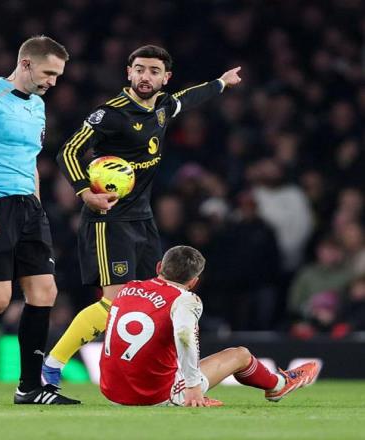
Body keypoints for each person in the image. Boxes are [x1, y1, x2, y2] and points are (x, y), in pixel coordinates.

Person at [43, 45, 242, 385]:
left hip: (143, 219)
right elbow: (69, 151)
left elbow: (187, 99)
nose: (145, 76)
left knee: (156, 299)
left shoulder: (162, 107)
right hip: (109, 220)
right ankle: (51, 366)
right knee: (115, 304)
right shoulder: (110, 114)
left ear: (166, 78)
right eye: (139, 69)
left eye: (153, 71)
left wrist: (221, 83)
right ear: (129, 73)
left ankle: (160, 375)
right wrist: (85, 192)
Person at [0, 35, 79, 405]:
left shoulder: (37, 105)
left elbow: (30, 160)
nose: (53, 81)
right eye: (48, 73)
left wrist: (36, 204)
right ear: (25, 64)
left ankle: (29, 387)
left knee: (45, 293)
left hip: (28, 207)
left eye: (57, 75)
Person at [100, 246, 319, 406]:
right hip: (152, 397)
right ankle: (278, 385)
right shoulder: (185, 299)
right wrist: (193, 387)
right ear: (194, 281)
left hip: (111, 392)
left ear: (159, 267)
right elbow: (184, 336)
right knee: (240, 355)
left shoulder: (129, 287)